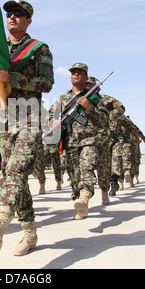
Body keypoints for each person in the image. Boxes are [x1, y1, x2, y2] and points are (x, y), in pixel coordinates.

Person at [0, 0, 54, 257]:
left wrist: (14, 78)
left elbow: (46, 83)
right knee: (14, 177)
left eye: (18, 14)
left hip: (30, 117)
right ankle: (30, 232)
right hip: (4, 120)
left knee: (16, 170)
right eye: (9, 13)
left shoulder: (39, 49)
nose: (12, 17)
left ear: (28, 20)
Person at [49, 63, 109, 219]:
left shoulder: (93, 97)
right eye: (73, 73)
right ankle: (80, 204)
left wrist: (89, 108)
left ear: (85, 77)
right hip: (69, 143)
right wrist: (53, 122)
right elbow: (51, 114)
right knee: (75, 178)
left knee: (87, 169)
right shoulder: (63, 98)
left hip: (88, 140)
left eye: (79, 73)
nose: (76, 75)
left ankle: (85, 197)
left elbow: (104, 120)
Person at [86, 76, 125, 204]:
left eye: (90, 85)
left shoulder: (104, 99)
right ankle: (84, 195)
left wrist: (108, 118)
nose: (88, 86)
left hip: (102, 136)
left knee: (103, 166)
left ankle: (104, 192)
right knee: (86, 165)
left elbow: (121, 108)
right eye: (86, 84)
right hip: (85, 137)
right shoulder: (79, 99)